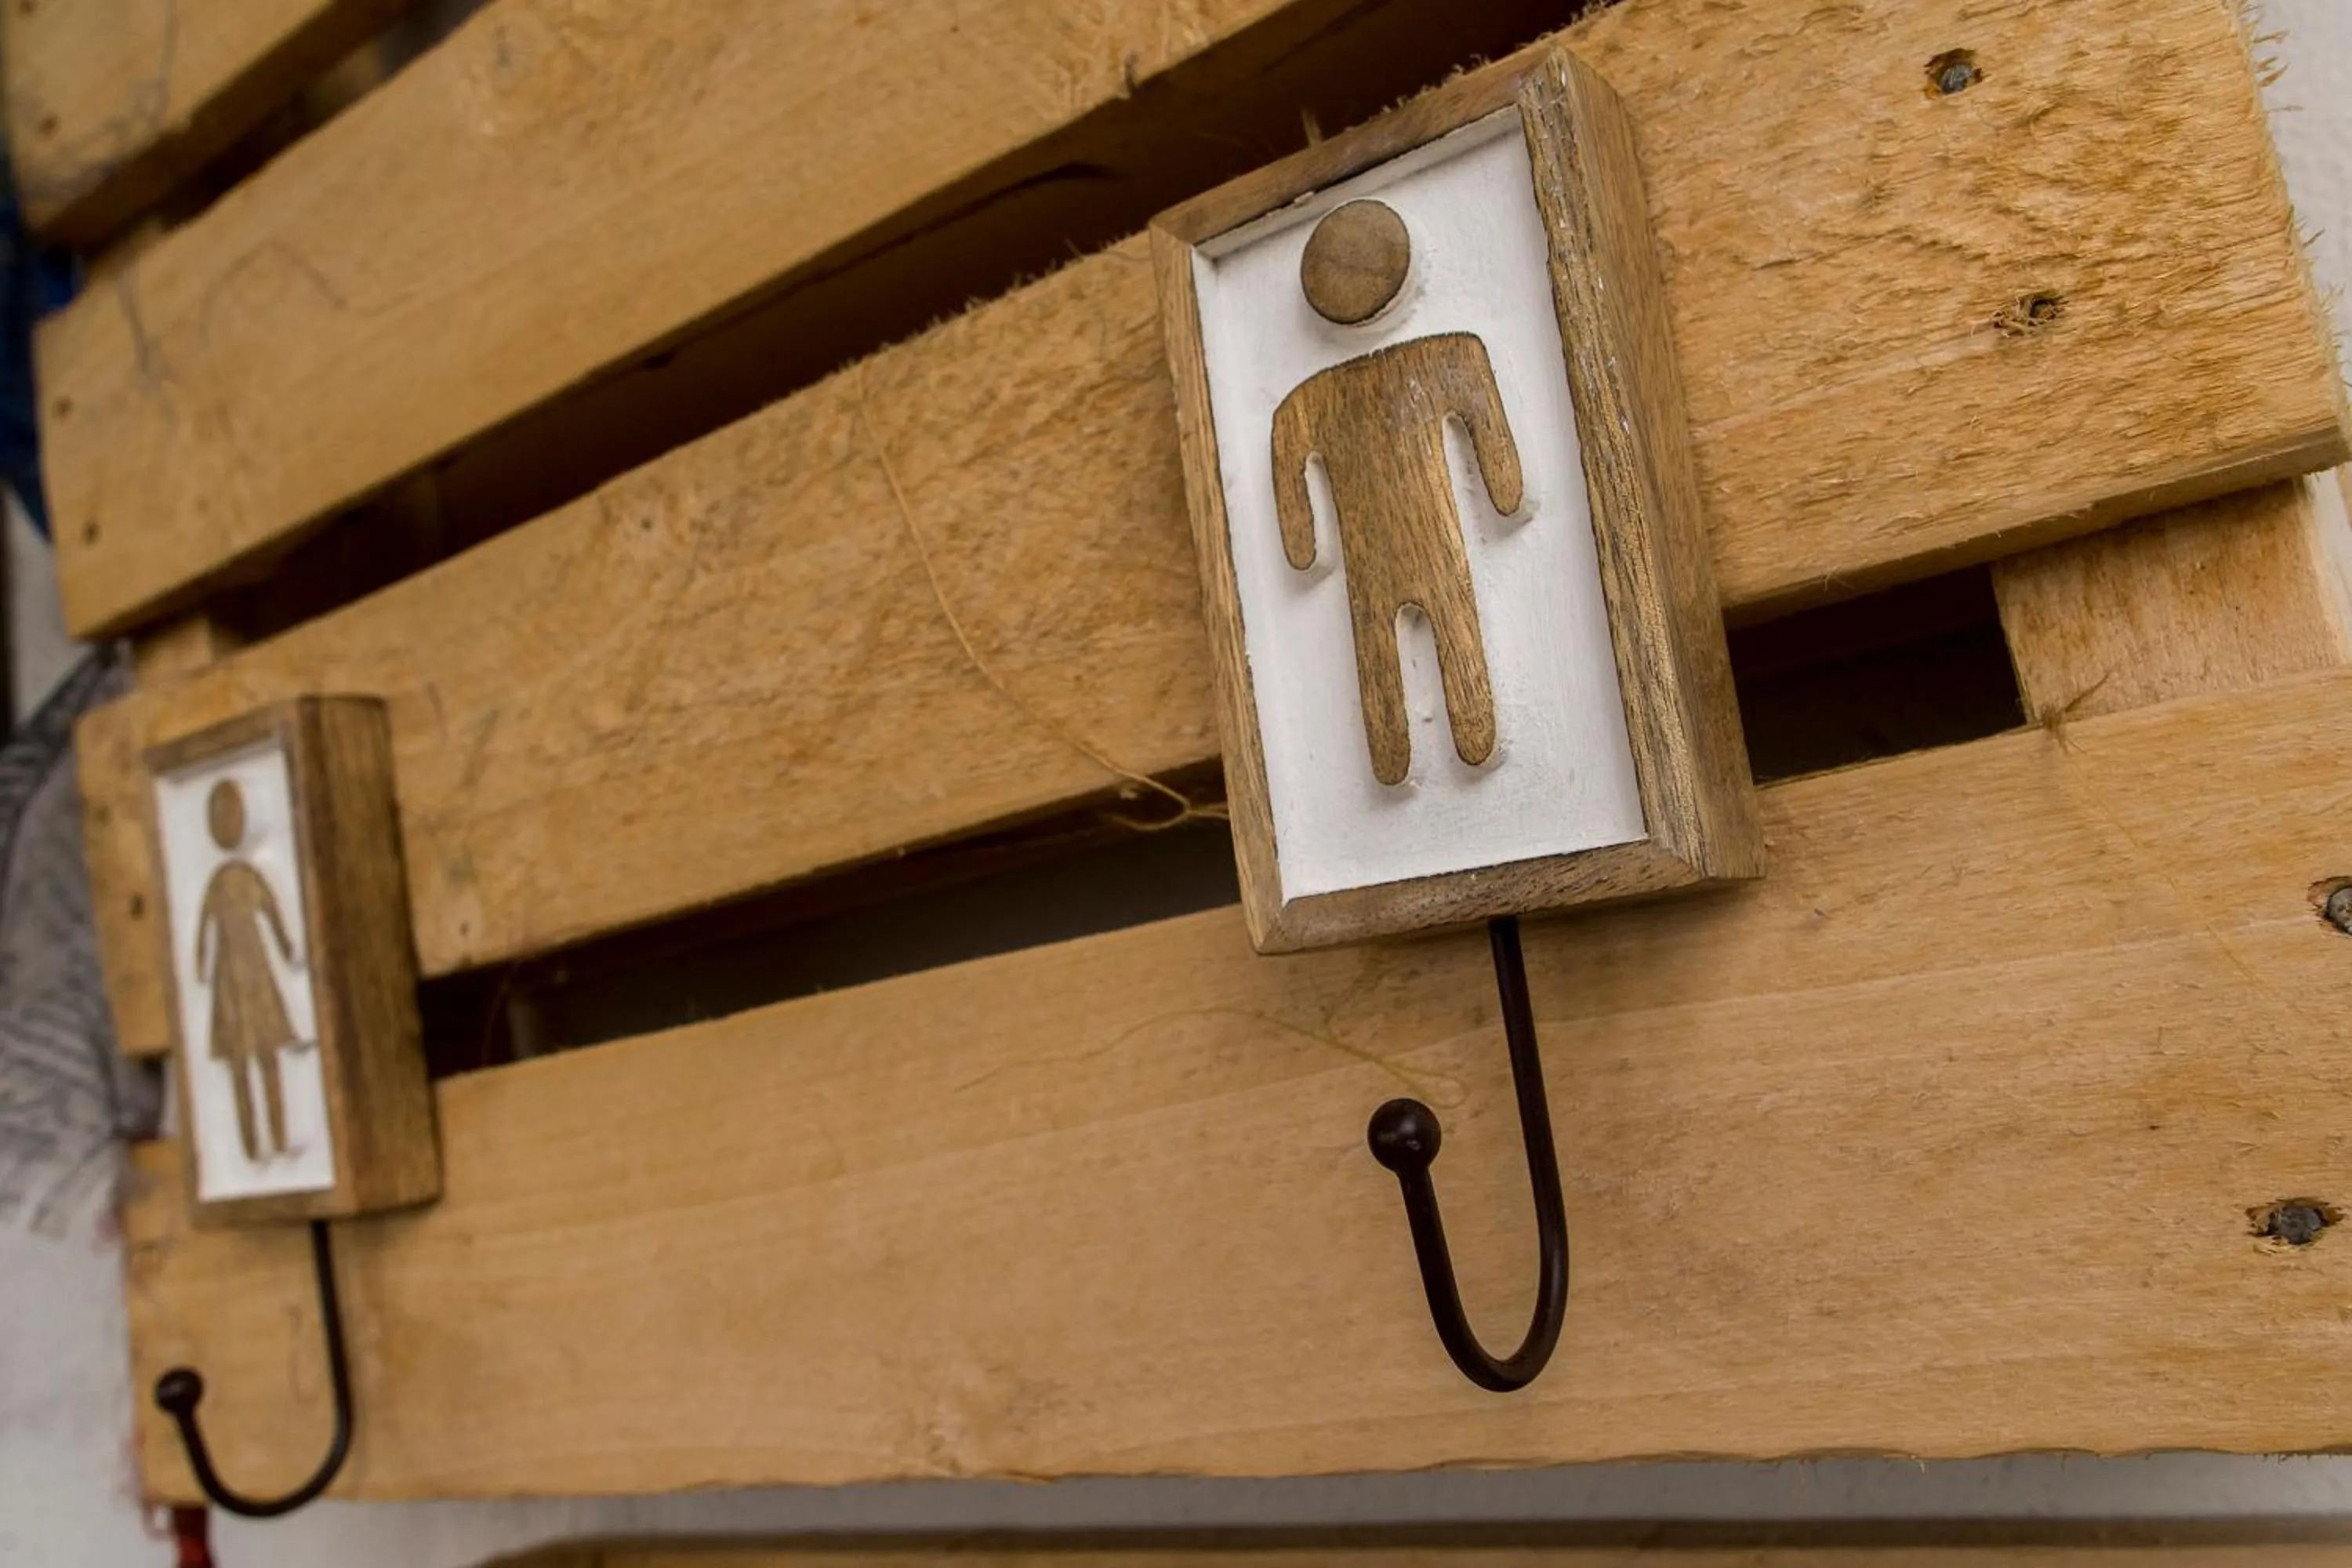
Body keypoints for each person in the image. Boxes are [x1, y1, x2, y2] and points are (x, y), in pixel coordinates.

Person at [1272, 198, 1524, 787]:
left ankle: (1415, 753)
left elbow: (1295, 515)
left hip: (1379, 565)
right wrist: (1504, 491)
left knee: (1386, 655)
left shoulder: (1307, 403)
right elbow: (1503, 470)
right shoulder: (1451, 358)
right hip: (1430, 551)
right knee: (1442, 644)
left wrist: (1304, 547)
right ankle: (1456, 742)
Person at [193, 779, 305, 1163]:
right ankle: (251, 1146)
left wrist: (287, 946)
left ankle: (278, 1138)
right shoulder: (221, 881)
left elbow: (271, 911)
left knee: (266, 1055)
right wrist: (201, 963)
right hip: (231, 976)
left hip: (253, 971)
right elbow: (205, 928)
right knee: (241, 1062)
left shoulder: (244, 876)